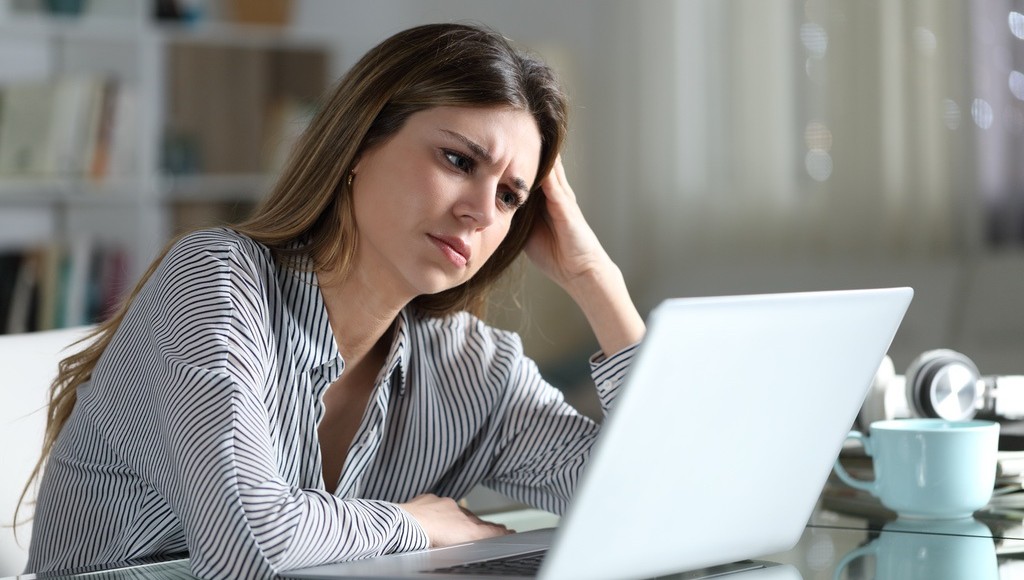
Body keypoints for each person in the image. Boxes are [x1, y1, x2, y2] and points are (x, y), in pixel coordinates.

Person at [22, 22, 645, 579]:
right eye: (458, 160)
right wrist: (418, 524)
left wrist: (596, 279)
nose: (481, 211)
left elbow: (652, 500)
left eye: (511, 196)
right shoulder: (216, 280)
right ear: (357, 146)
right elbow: (245, 548)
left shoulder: (471, 369)